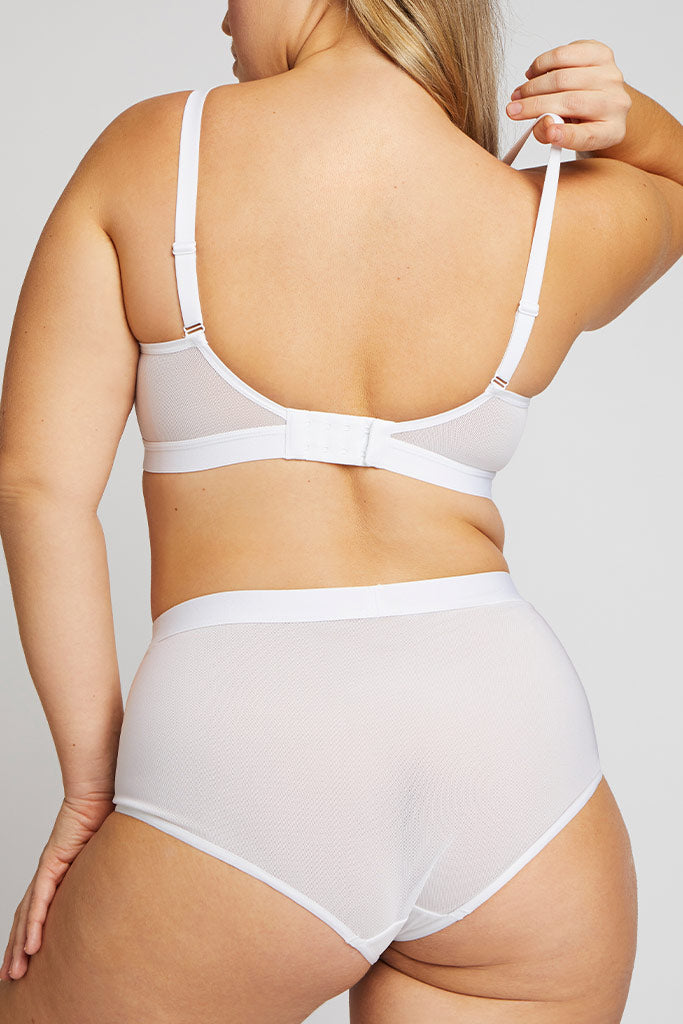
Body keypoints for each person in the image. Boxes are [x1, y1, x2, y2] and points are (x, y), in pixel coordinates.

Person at [0, 2, 680, 1021]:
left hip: (251, 739)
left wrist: (91, 791)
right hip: (511, 751)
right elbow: (675, 188)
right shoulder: (535, 217)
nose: (223, 15)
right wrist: (634, 121)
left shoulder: (154, 154)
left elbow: (38, 488)